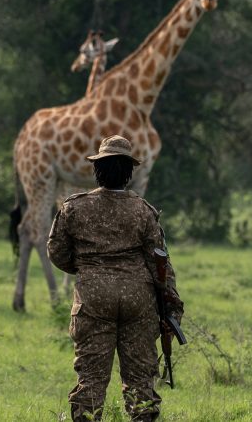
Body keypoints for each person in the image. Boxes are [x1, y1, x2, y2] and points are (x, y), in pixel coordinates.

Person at [47, 135, 184, 422]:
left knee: (92, 377)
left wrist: (88, 268)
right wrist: (172, 306)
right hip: (139, 300)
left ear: (98, 170)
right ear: (129, 172)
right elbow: (160, 263)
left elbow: (57, 252)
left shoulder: (74, 207)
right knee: (140, 379)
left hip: (92, 300)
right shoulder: (144, 211)